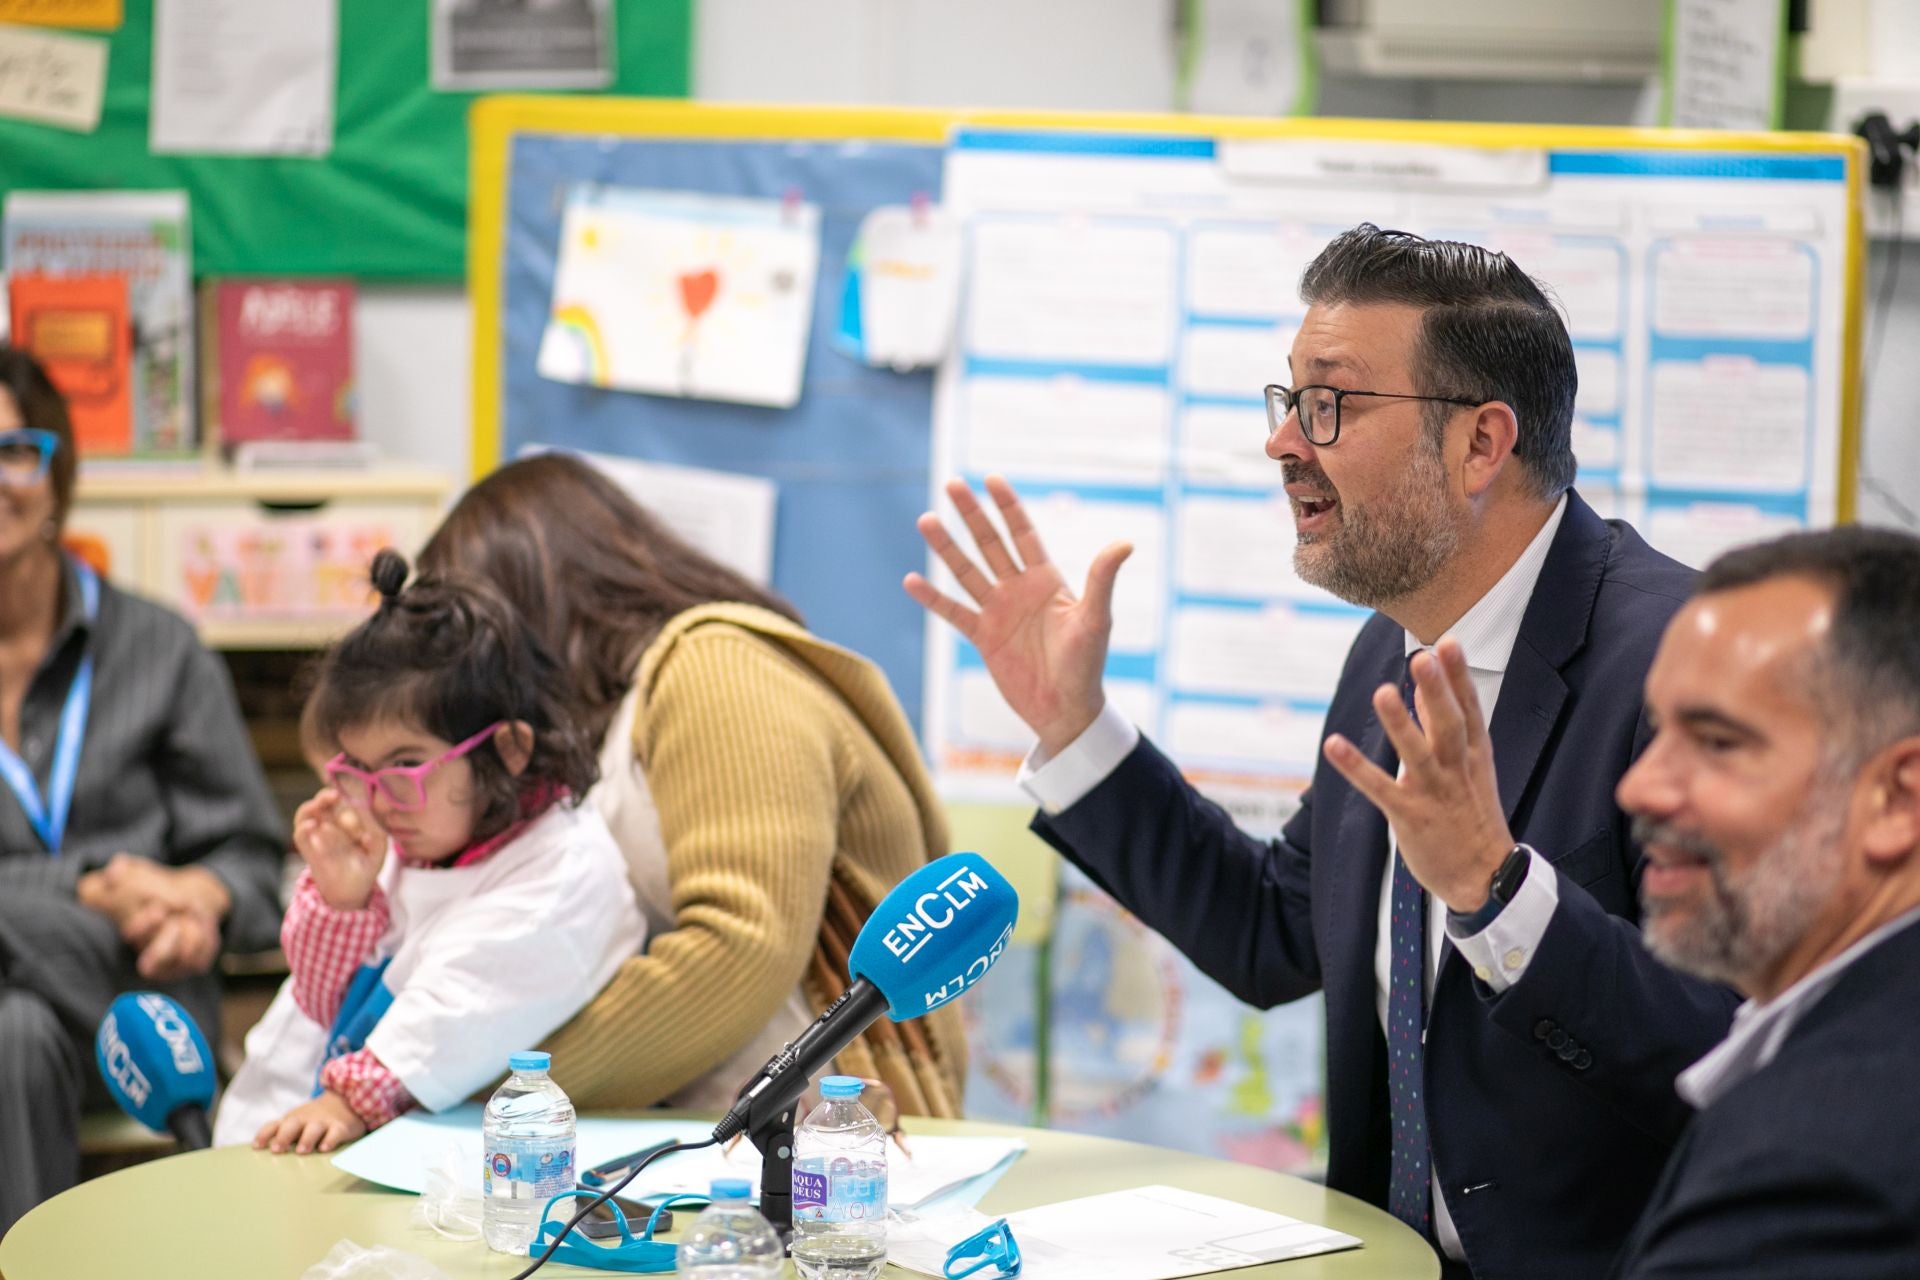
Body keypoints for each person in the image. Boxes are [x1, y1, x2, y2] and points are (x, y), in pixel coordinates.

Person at [906, 226, 1738, 1280]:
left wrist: (1499, 890)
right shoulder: (1391, 646)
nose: (1284, 443)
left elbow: (1733, 1048)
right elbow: (1274, 928)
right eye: (1286, 400)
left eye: (1330, 404)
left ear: (1482, 444)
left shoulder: (1687, 659)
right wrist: (1077, 730)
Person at [416, 452, 966, 1118]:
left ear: (525, 608)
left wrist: (490, 1085)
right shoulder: (639, 706)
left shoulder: (717, 668)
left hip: (838, 1151)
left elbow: (739, 948)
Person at [211, 549, 643, 1151]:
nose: (380, 801)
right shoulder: (428, 826)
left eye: (405, 767)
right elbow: (319, 1004)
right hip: (281, 1118)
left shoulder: (563, 871)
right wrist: (342, 904)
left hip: (375, 1142)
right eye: (356, 770)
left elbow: (463, 1005)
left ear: (510, 750)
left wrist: (349, 1098)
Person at [0, 346, 284, 1232]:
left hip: (151, 1005)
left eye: (13, 450)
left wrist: (196, 898)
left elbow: (256, 861)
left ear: (58, 474)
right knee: (13, 1032)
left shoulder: (161, 649)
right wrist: (98, 890)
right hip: (26, 1028)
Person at [1606, 527, 1920, 1278]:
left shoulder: (1817, 1165)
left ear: (1898, 800)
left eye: (1717, 742)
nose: (1639, 788)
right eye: (1658, 731)